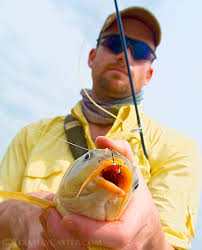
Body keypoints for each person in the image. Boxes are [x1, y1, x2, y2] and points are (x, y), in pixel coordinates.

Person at [0, 6, 200, 250]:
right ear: (92, 56)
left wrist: (151, 238)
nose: (124, 55)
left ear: (149, 74)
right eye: (115, 43)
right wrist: (12, 216)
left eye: (139, 51)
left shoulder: (181, 149)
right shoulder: (30, 136)